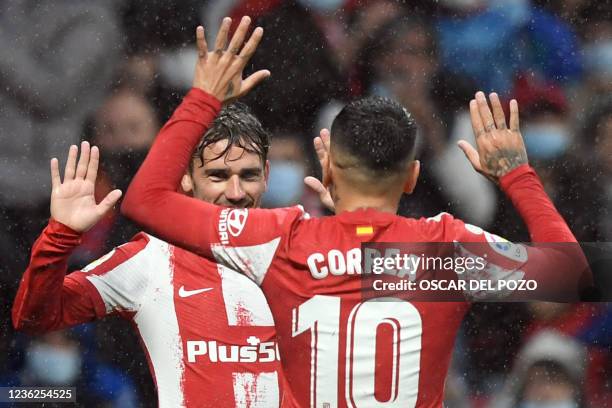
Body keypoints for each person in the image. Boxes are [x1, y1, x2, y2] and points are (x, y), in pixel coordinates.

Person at [122, 16, 589, 406]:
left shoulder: (277, 240)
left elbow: (145, 199)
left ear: (326, 171)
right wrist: (516, 175)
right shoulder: (445, 250)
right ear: (411, 177)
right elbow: (572, 275)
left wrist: (203, 97)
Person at [12, 100, 291, 406]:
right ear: (186, 177)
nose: (236, 193)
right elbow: (35, 317)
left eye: (248, 175)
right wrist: (59, 236)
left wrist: (353, 225)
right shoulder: (148, 262)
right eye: (218, 176)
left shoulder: (304, 255)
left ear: (266, 174)